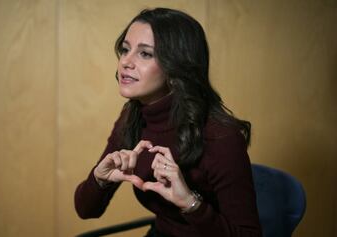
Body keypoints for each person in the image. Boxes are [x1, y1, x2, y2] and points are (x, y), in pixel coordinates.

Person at [74, 7, 262, 237]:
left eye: (145, 54)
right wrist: (99, 179)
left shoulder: (220, 136)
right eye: (125, 49)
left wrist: (190, 203)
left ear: (177, 66)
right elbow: (86, 210)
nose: (126, 62)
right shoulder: (132, 116)